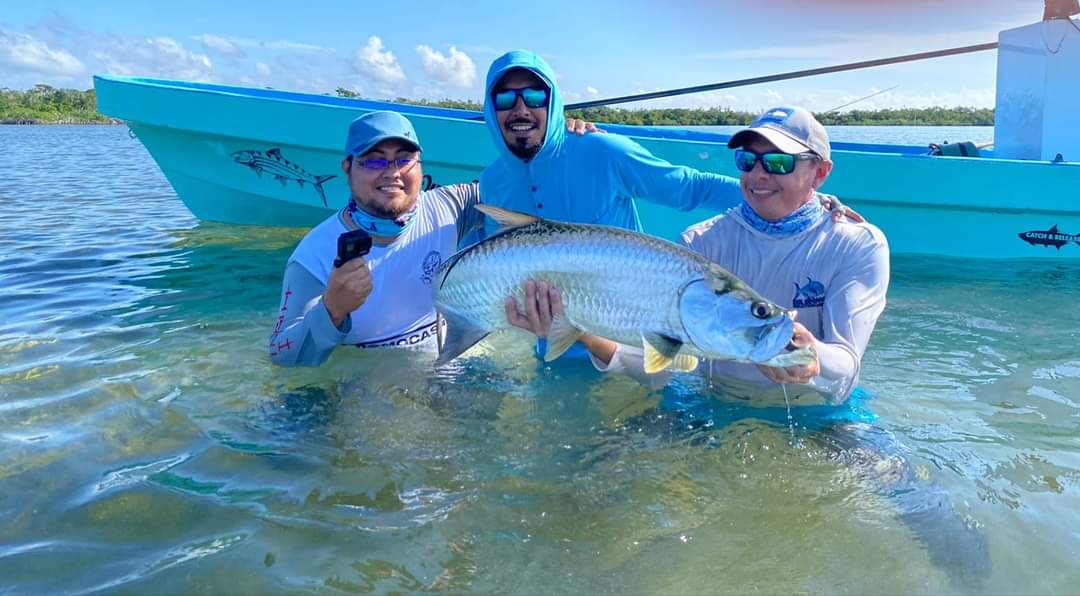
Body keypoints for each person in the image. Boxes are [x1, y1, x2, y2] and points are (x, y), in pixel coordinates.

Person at [269, 110, 597, 367]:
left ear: (420, 165)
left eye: (403, 158)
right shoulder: (313, 255)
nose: (392, 171)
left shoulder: (451, 206)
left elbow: (519, 188)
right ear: (347, 168)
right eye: (374, 159)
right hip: (372, 383)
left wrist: (561, 142)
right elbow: (283, 355)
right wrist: (332, 309)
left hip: (455, 365)